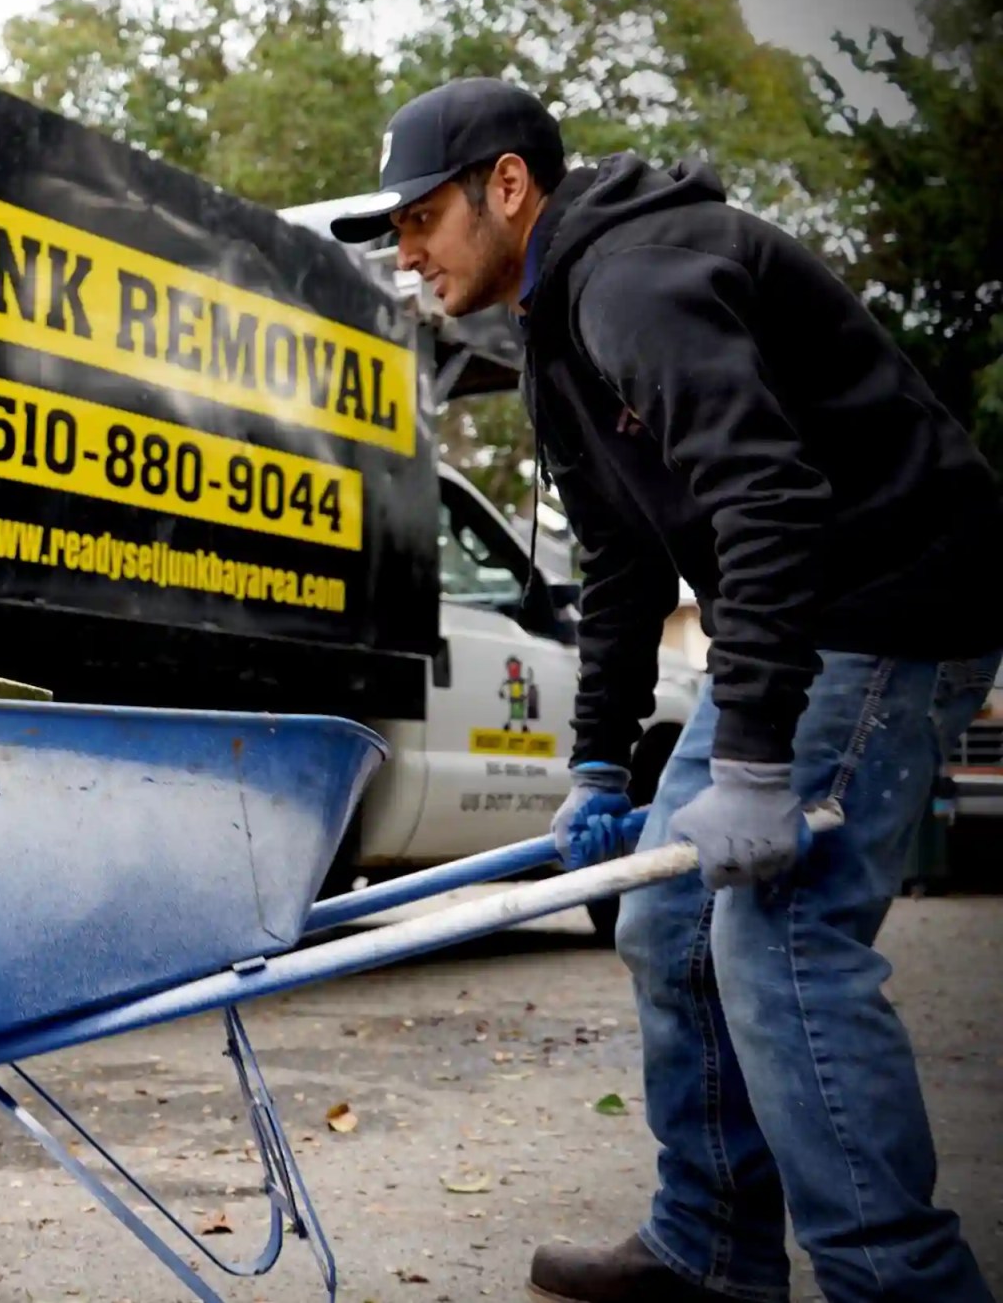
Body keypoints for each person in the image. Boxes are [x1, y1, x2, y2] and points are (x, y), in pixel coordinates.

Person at [328, 77, 1003, 1303]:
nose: (407, 250)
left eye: (421, 217)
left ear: (508, 186)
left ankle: (902, 1286)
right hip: (804, 617)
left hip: (894, 609)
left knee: (777, 940)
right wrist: (594, 762)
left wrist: (747, 759)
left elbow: (765, 498)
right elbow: (624, 561)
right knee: (663, 923)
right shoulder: (549, 334)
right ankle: (708, 1247)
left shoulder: (631, 279)